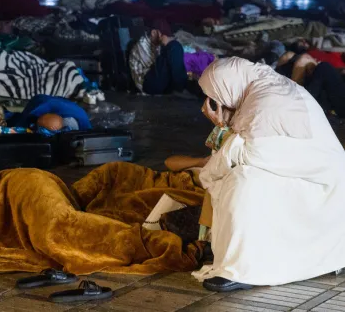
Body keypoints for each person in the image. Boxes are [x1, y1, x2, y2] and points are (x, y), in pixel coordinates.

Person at [193, 57, 345, 292]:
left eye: (216, 95)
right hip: (311, 175)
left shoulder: (268, 97)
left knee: (242, 182)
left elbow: (250, 150)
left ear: (229, 85)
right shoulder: (262, 88)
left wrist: (218, 145)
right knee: (237, 176)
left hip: (321, 183)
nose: (214, 102)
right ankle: (235, 260)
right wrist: (225, 125)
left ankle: (242, 268)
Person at [276, 51, 345, 118]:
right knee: (290, 56)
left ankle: (300, 98)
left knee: (304, 60)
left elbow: (326, 69)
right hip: (321, 90)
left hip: (316, 98)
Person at [129, 19, 187, 95]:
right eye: (163, 35)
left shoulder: (157, 44)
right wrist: (167, 46)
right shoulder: (141, 45)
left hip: (157, 80)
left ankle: (181, 87)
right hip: (146, 84)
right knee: (174, 47)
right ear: (153, 33)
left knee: (174, 47)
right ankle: (180, 89)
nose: (165, 38)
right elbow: (154, 66)